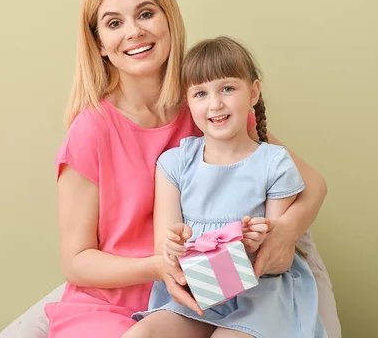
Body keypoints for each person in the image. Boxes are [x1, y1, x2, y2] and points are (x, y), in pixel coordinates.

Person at [0, 0, 341, 338]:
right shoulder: (91, 131)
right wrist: (159, 267)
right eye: (114, 23)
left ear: (168, 20)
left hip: (212, 290)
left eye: (145, 14)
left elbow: (313, 185)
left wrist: (283, 231)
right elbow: (77, 262)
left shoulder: (207, 107)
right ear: (99, 44)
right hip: (117, 302)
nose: (134, 32)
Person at [124, 37, 328, 338]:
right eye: (201, 93)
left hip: (261, 296)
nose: (215, 103)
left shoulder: (274, 163)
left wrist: (255, 246)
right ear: (187, 100)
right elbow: (163, 252)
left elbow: (281, 260)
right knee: (139, 335)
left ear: (253, 92)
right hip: (197, 293)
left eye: (228, 89)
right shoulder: (174, 165)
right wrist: (175, 245)